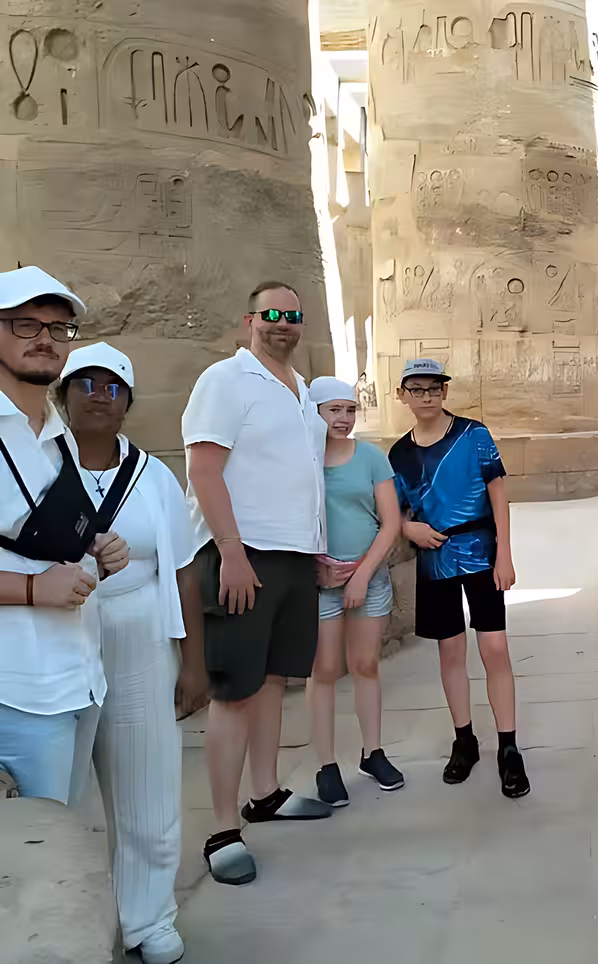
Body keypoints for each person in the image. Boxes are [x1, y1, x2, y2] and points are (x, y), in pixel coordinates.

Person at [182, 280, 332, 887]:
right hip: (245, 557)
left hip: (294, 557)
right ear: (250, 320)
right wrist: (231, 553)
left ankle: (264, 792)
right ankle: (222, 828)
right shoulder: (225, 381)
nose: (283, 324)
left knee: (273, 680)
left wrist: (317, 550)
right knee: (234, 690)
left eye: (293, 316)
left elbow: (304, 477)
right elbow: (203, 468)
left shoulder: (300, 391)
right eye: (272, 314)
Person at [60, 343, 205, 964]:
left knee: (147, 776)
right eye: (84, 383)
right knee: (55, 787)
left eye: (112, 385)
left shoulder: (153, 476)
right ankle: (64, 920)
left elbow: (183, 570)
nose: (99, 393)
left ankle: (148, 918)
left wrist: (192, 660)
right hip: (57, 629)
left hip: (140, 625)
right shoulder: (33, 466)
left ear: (127, 404)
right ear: (62, 396)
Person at [0, 267, 128, 805]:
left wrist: (99, 544)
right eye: (26, 325)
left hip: (80, 676)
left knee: (65, 852)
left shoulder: (59, 436)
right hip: (17, 689)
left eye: (59, 328)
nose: (46, 339)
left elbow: (56, 534)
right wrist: (32, 589)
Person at [388, 359, 529, 798]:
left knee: (494, 649)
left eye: (435, 388)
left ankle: (509, 746)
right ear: (403, 395)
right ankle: (464, 739)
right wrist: (407, 528)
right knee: (450, 653)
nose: (427, 396)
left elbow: (498, 494)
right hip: (434, 561)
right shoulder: (399, 454)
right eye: (418, 389)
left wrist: (504, 554)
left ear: (445, 392)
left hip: (480, 553)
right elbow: (395, 510)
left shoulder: (474, 435)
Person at [306, 377, 404, 806]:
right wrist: (314, 568)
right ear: (315, 412)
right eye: (334, 410)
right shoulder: (302, 460)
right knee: (324, 669)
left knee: (365, 664)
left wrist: (364, 574)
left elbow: (391, 522)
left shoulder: (370, 458)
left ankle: (373, 752)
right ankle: (327, 764)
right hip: (321, 582)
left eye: (350, 410)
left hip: (369, 578)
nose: (343, 419)